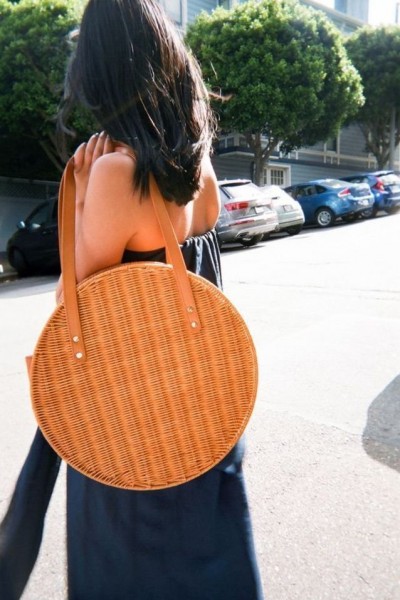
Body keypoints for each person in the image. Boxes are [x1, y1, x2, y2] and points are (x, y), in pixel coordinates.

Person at [0, 1, 264, 598]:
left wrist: (82, 199)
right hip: (206, 416)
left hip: (133, 428)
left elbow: (73, 310)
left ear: (102, 73)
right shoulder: (197, 166)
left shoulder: (116, 173)